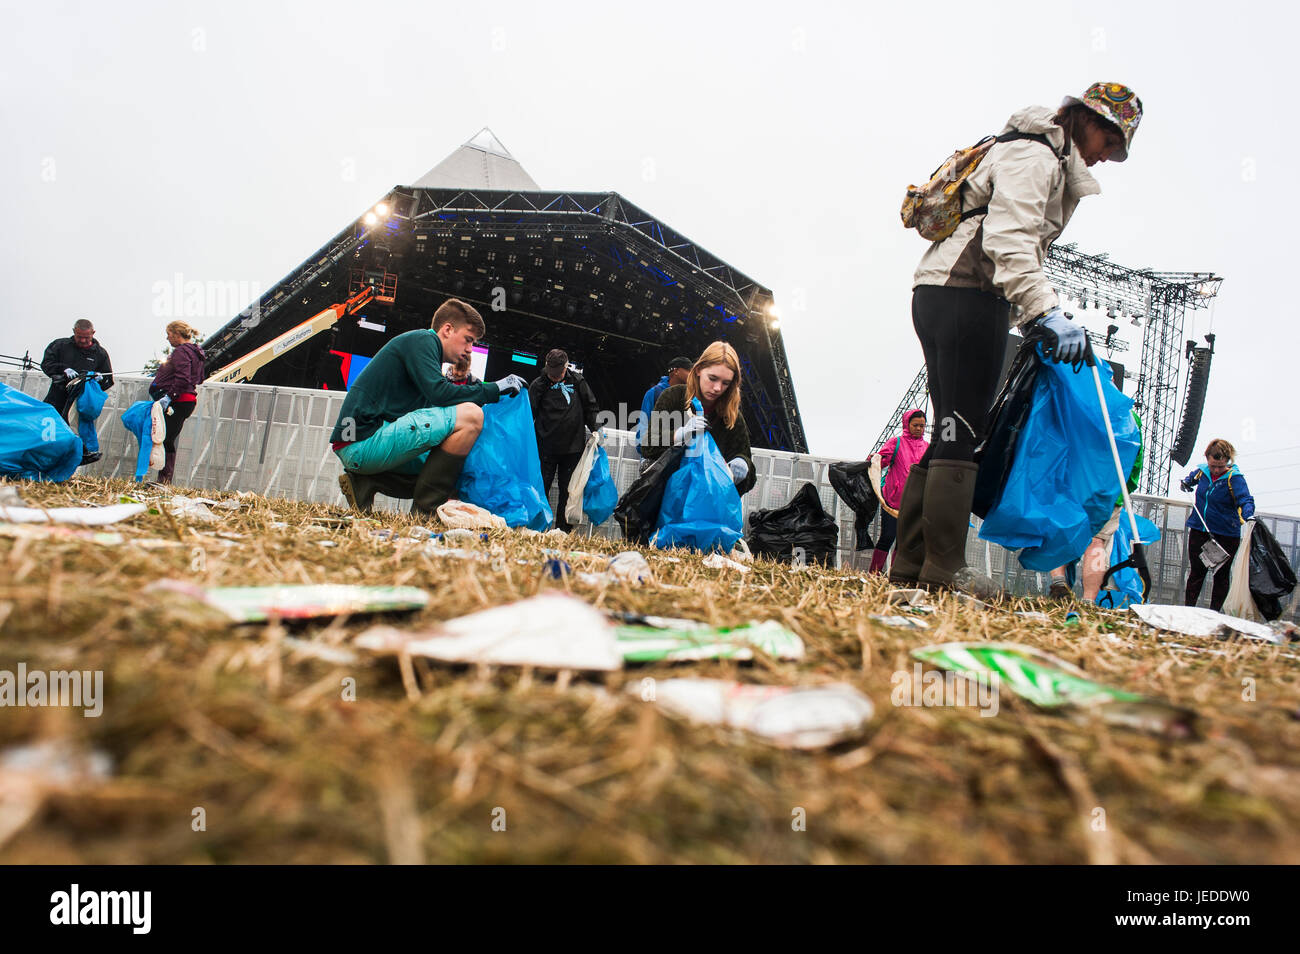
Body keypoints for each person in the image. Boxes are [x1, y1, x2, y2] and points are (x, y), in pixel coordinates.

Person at [893, 82, 1142, 598]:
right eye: (1109, 143)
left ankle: (911, 566)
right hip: (969, 295)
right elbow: (1009, 238)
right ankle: (945, 569)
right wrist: (1044, 313)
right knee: (963, 432)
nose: (1107, 159)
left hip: (942, 292)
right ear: (1088, 121)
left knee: (949, 431)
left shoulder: (1028, 149)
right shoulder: (1037, 155)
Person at [329, 298, 526, 516]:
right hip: (361, 443)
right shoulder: (423, 340)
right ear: (448, 329)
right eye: (468, 340)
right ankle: (425, 513)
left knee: (455, 466)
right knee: (472, 416)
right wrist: (495, 389)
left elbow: (438, 401)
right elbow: (440, 393)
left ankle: (366, 481)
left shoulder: (424, 356)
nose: (470, 349)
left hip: (362, 444)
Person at [1047, 411, 1144, 601]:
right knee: (1097, 542)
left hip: (1074, 485)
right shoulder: (1129, 417)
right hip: (1109, 492)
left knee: (1063, 535)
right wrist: (1125, 487)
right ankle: (1088, 600)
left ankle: (1058, 581)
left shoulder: (1081, 402)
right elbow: (1136, 459)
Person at [642, 341, 756, 495]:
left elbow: (748, 473)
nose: (717, 388)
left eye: (725, 383)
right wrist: (679, 434)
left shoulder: (732, 417)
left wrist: (743, 464)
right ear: (698, 370)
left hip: (706, 502)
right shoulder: (673, 397)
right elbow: (648, 445)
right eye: (713, 378)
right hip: (666, 497)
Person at [528, 349, 600, 533]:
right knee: (540, 488)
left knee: (568, 492)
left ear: (566, 366)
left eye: (558, 374)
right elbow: (529, 414)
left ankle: (562, 531)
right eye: (551, 374)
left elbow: (590, 407)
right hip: (545, 447)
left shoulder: (578, 381)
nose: (555, 378)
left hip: (572, 447)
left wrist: (596, 429)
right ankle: (537, 528)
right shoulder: (538, 385)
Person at [1180, 438, 1255, 612]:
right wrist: (1186, 483)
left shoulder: (1234, 478)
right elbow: (1190, 479)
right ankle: (1188, 611)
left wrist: (1248, 514)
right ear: (1207, 459)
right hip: (1200, 529)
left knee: (1221, 576)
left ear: (1228, 462)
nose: (1216, 470)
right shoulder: (1202, 472)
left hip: (1226, 534)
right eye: (1213, 466)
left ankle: (1214, 613)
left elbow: (1245, 499)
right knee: (1196, 573)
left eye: (1220, 467)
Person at [868, 409, 929, 574]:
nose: (919, 429)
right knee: (888, 536)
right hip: (892, 500)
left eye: (922, 426)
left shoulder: (927, 447)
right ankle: (874, 572)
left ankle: (895, 574)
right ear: (907, 424)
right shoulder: (896, 442)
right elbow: (881, 460)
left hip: (914, 502)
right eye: (915, 425)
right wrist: (873, 459)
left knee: (903, 541)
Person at [147, 321, 206, 484]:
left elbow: (183, 377)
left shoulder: (181, 351)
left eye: (169, 334)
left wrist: (169, 396)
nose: (167, 338)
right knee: (168, 437)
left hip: (177, 401)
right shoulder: (196, 352)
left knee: (165, 438)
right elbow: (199, 378)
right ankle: (164, 479)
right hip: (187, 400)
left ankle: (164, 480)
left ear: (177, 334)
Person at [40, 319, 114, 422]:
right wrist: (63, 369)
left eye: (86, 337)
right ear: (74, 331)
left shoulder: (100, 354)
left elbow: (108, 379)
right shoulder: (60, 345)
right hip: (57, 398)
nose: (83, 340)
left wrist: (99, 379)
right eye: (79, 337)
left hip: (82, 403)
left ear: (93, 333)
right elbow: (46, 364)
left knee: (74, 431)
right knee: (49, 427)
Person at [636, 356, 692, 456]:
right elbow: (644, 420)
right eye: (689, 370)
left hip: (678, 453)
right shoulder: (655, 392)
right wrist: (643, 449)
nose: (692, 375)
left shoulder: (690, 395)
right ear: (676, 371)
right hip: (654, 453)